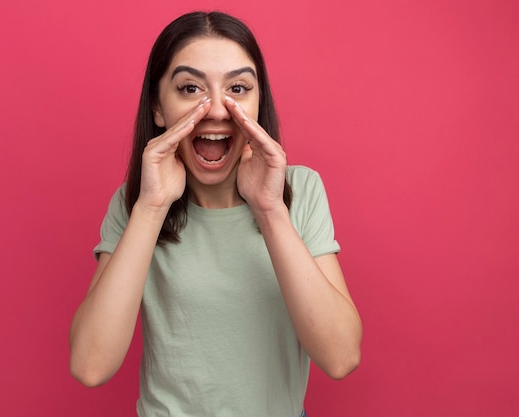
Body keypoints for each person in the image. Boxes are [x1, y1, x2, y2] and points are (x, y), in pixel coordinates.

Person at [69, 11, 362, 417]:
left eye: (238, 88)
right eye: (190, 88)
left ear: (259, 103)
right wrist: (151, 208)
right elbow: (90, 365)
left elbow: (341, 356)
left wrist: (270, 209)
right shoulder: (135, 204)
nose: (217, 110)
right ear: (157, 107)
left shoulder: (301, 192)